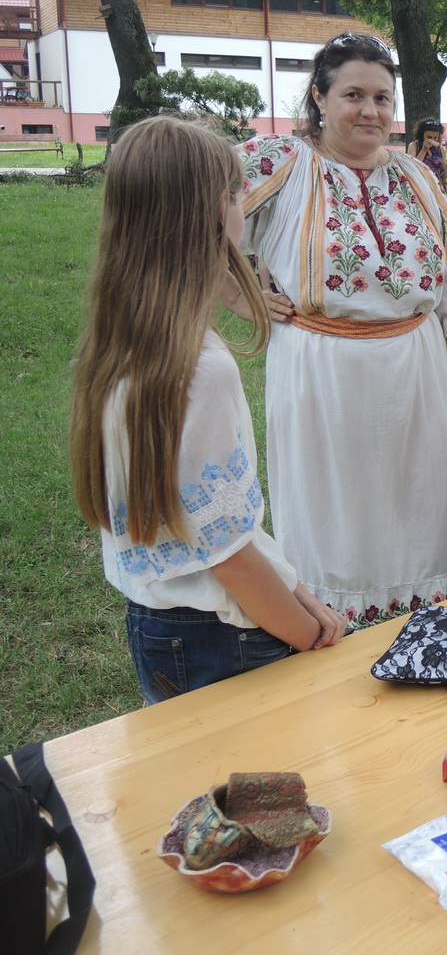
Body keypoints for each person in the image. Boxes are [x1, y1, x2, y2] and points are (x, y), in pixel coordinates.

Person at [68, 116, 346, 704]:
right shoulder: (199, 369)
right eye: (238, 192)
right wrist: (307, 636)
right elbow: (229, 557)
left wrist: (297, 589)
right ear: (219, 208)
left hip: (158, 618)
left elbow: (218, 531)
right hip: (225, 633)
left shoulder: (122, 340)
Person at [237, 32, 447, 630]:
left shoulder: (418, 177)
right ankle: (332, 630)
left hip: (416, 372)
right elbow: (187, 224)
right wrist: (242, 296)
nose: (370, 111)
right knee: (334, 515)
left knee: (421, 504)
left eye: (382, 98)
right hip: (320, 372)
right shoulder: (278, 163)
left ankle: (425, 628)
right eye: (353, 94)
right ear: (320, 97)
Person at [407, 117, 447, 192]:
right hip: (420, 186)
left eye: (435, 137)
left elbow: (442, 176)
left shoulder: (440, 150)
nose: (432, 140)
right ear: (422, 135)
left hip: (436, 188)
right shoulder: (414, 146)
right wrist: (424, 150)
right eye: (429, 137)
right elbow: (412, 167)